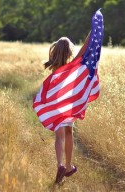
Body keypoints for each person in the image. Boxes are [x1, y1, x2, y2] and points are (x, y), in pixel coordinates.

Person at [43, 34, 90, 184]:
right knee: (69, 132)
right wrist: (92, 31)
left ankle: (60, 165)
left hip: (55, 103)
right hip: (68, 104)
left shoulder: (55, 68)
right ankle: (69, 166)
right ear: (69, 52)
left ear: (56, 51)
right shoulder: (73, 64)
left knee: (59, 136)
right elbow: (85, 47)